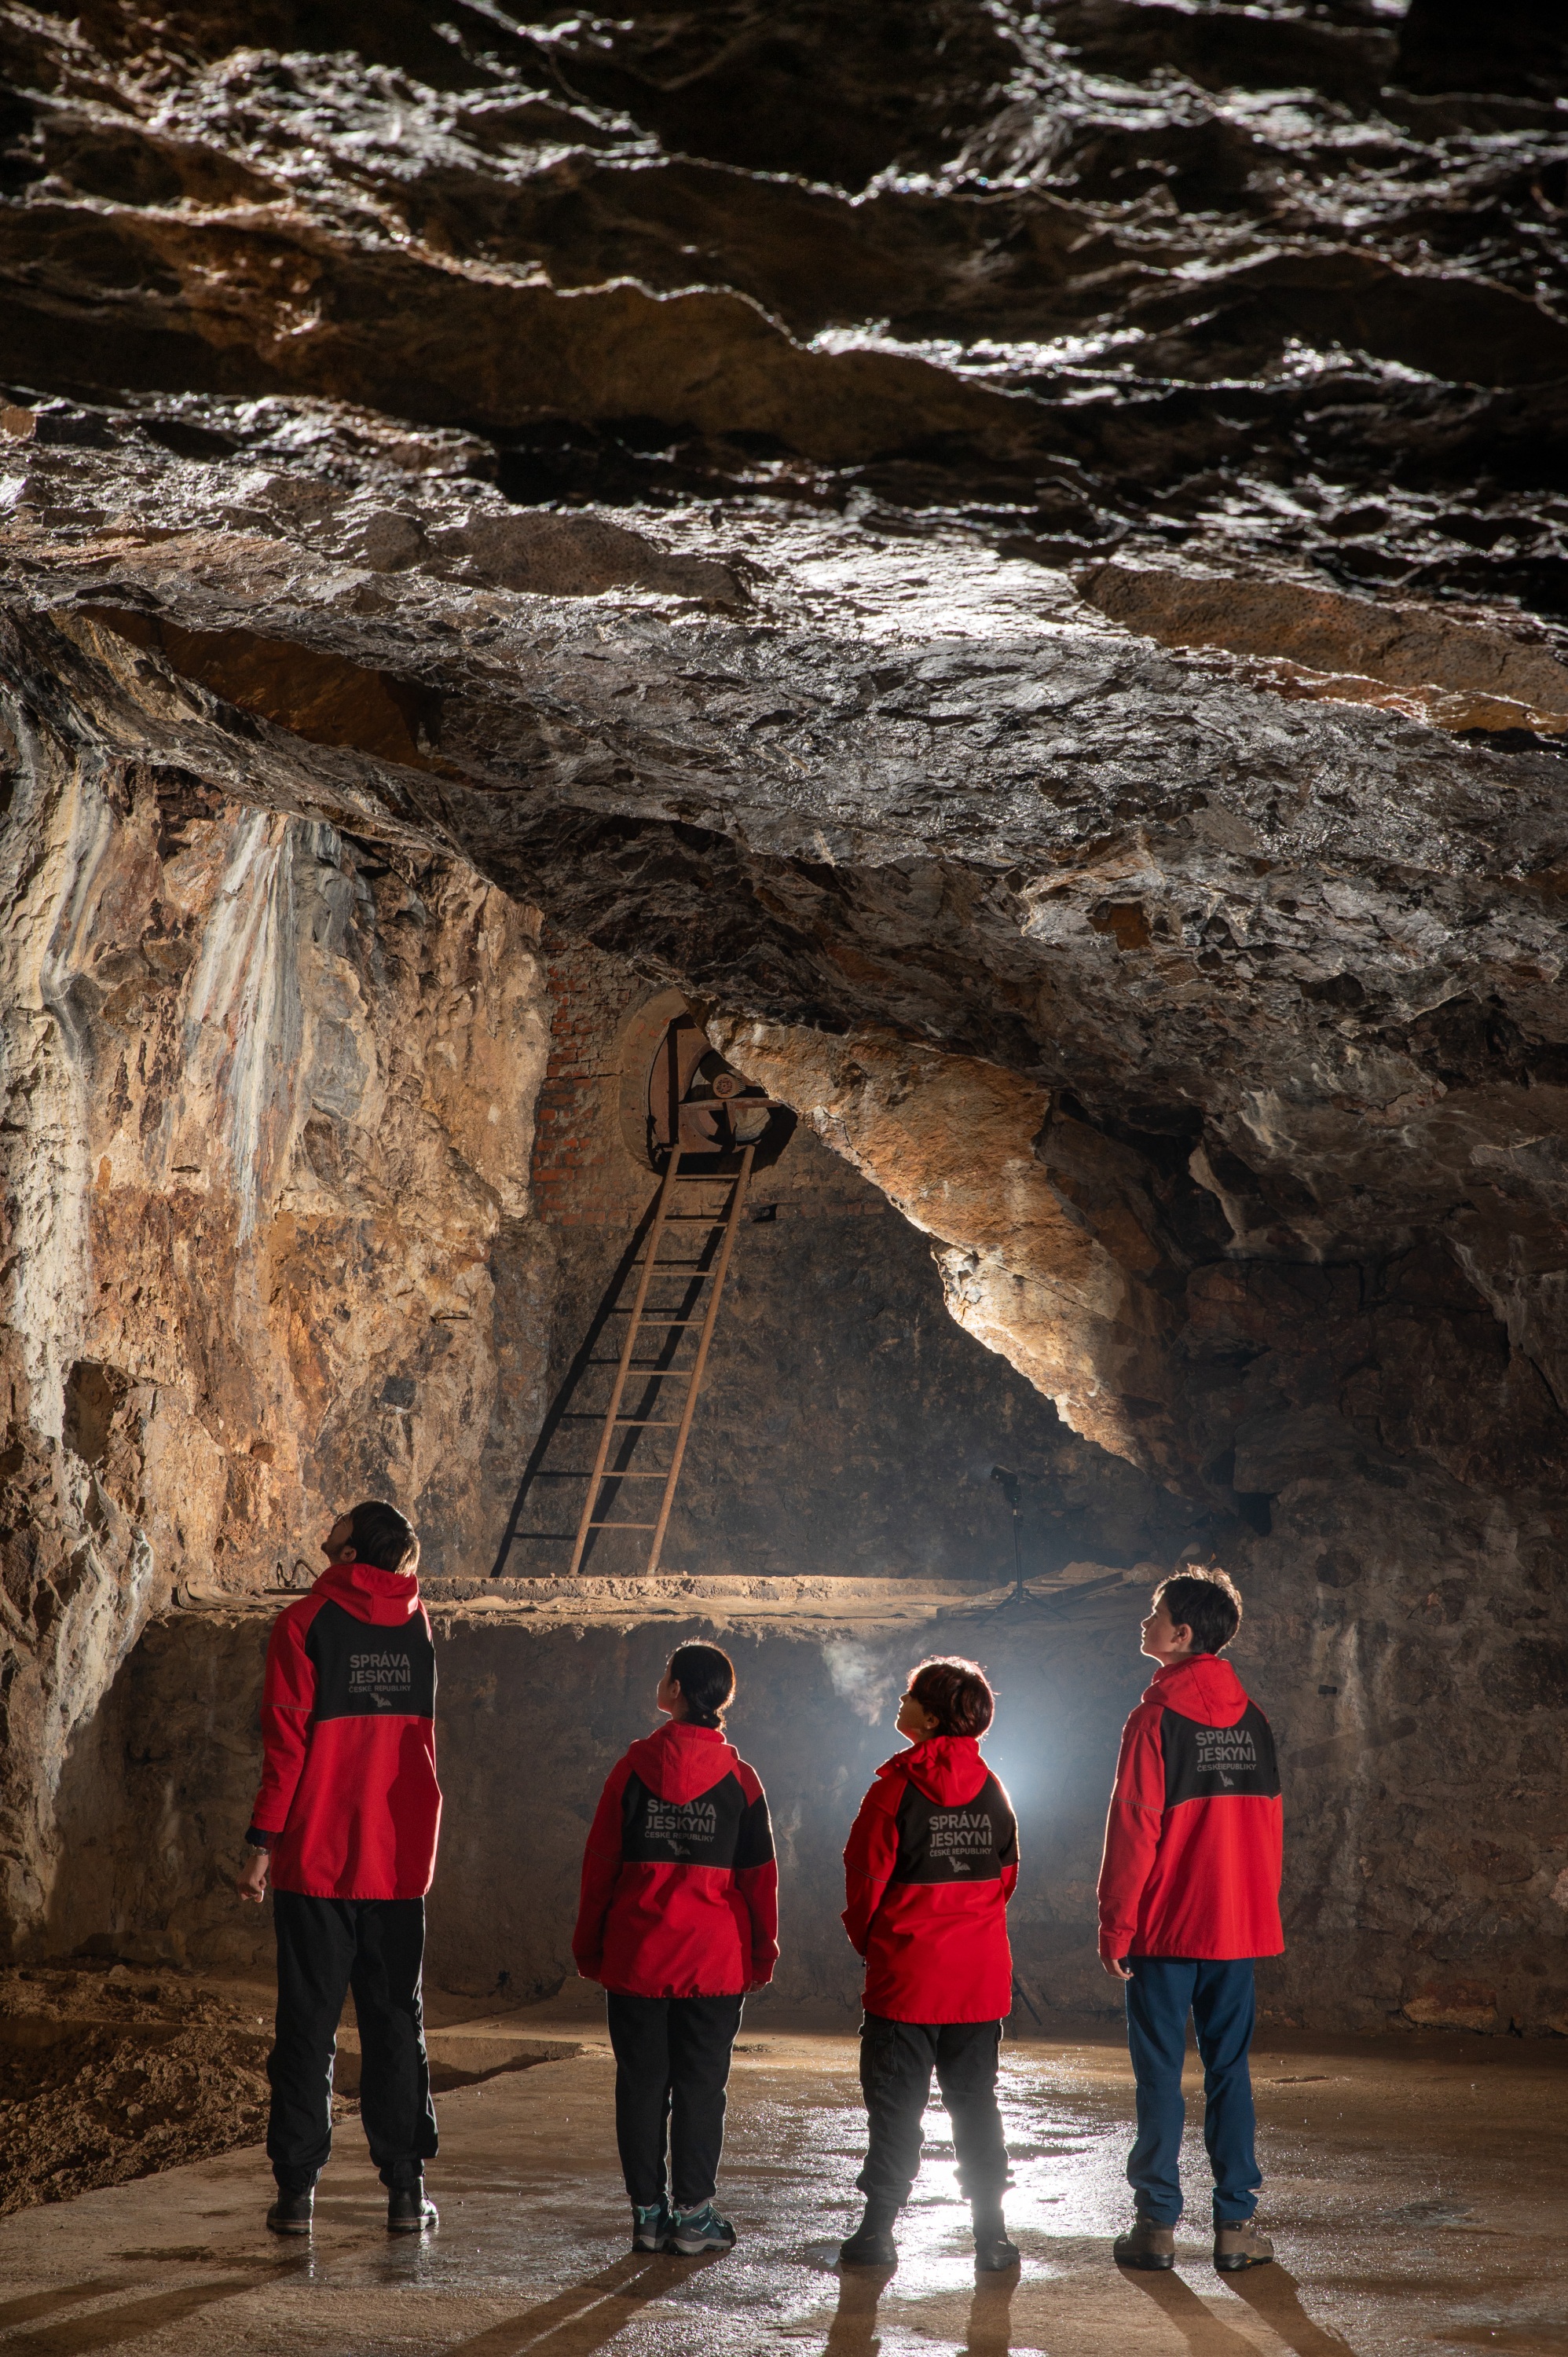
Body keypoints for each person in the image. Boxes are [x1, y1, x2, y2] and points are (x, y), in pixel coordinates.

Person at [236, 1499, 441, 2238]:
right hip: (396, 1861)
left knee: (307, 2028)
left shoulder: (304, 1625)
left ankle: (296, 2195)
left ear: (352, 1550)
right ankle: (403, 2189)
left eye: (337, 1527)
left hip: (316, 1858)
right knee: (396, 2026)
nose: (324, 1531)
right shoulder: (418, 1623)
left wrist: (261, 1843)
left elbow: (286, 1748)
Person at [1097, 1564, 1283, 2275]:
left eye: (1155, 1612)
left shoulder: (1152, 1721)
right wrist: (1254, 1913)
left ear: (1180, 1636)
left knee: (1158, 2074)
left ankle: (1156, 2228)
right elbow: (1268, 1827)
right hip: (1235, 1929)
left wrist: (1117, 1923)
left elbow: (1135, 1827)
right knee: (1229, 2071)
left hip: (1167, 1930)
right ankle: (1237, 2227)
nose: (1144, 1622)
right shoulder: (1255, 1720)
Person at [573, 1642, 777, 2256]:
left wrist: (591, 1945)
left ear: (679, 1692)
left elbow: (600, 1866)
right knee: (700, 2086)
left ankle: (646, 2215)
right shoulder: (741, 1781)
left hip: (638, 1956)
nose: (660, 1682)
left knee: (640, 2084)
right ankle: (694, 2216)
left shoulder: (631, 1770)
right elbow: (759, 1878)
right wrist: (761, 1954)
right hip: (715, 1961)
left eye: (666, 1674)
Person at [838, 1655, 1020, 2275]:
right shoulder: (994, 1788)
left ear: (931, 1716)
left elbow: (863, 1884)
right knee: (976, 2105)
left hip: (908, 1981)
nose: (901, 1699)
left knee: (895, 2109)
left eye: (911, 1694)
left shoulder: (893, 1790)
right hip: (978, 1980)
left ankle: (877, 2233)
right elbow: (1006, 1879)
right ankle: (992, 2238)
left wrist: (880, 1944)